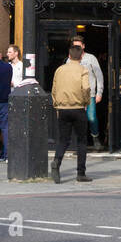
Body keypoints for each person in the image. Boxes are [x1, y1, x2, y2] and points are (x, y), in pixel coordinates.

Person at [51, 44, 92, 184]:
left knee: (63, 140)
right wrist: (86, 102)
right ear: (81, 56)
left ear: (69, 56)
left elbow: (54, 90)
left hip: (63, 109)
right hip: (78, 108)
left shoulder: (59, 70)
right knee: (81, 141)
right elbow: (86, 88)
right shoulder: (83, 70)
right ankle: (81, 173)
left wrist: (57, 105)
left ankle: (56, 162)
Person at [72, 35, 105, 151]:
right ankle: (80, 144)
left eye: (79, 46)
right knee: (78, 120)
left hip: (90, 95)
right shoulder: (69, 59)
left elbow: (99, 76)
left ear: (83, 46)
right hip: (75, 95)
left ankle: (95, 139)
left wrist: (99, 92)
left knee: (91, 118)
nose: (77, 48)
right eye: (75, 46)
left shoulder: (91, 58)